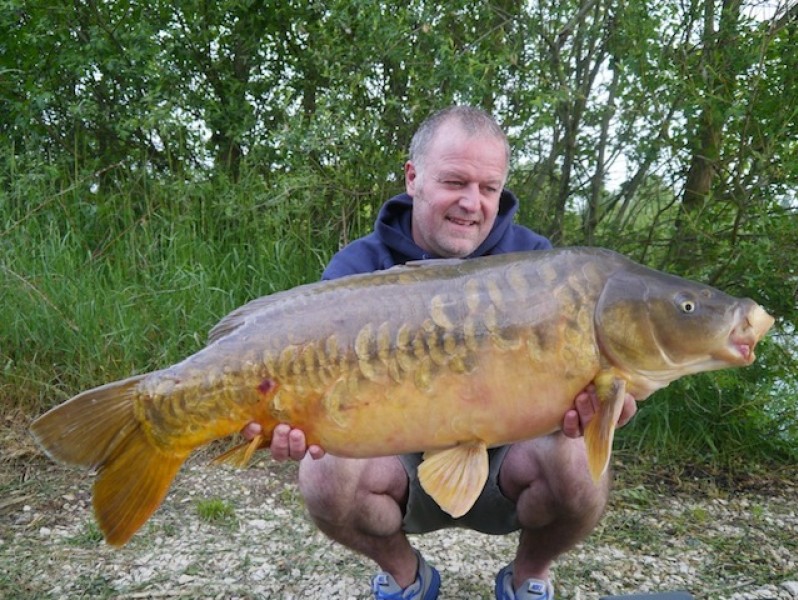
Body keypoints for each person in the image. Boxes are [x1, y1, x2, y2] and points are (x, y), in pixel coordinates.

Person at [243, 105, 636, 600]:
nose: (472, 203)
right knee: (322, 472)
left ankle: (529, 577)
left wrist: (600, 407)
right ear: (413, 178)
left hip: (506, 461)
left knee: (581, 464)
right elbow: (308, 391)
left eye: (489, 188)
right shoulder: (358, 270)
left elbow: (578, 390)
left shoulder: (541, 266)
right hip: (395, 464)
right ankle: (407, 578)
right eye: (455, 182)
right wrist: (289, 420)